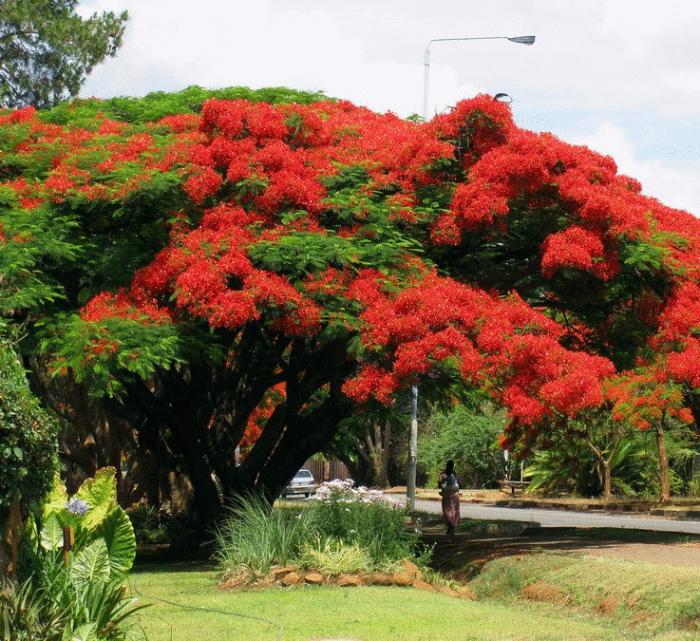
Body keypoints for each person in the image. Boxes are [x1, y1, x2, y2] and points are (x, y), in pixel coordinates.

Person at [438, 460, 460, 536]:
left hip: (447, 494)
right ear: (453, 466)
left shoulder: (443, 474)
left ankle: (450, 526)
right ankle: (452, 527)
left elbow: (439, 484)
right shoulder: (454, 473)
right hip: (455, 493)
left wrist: (442, 489)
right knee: (454, 510)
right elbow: (457, 483)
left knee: (447, 510)